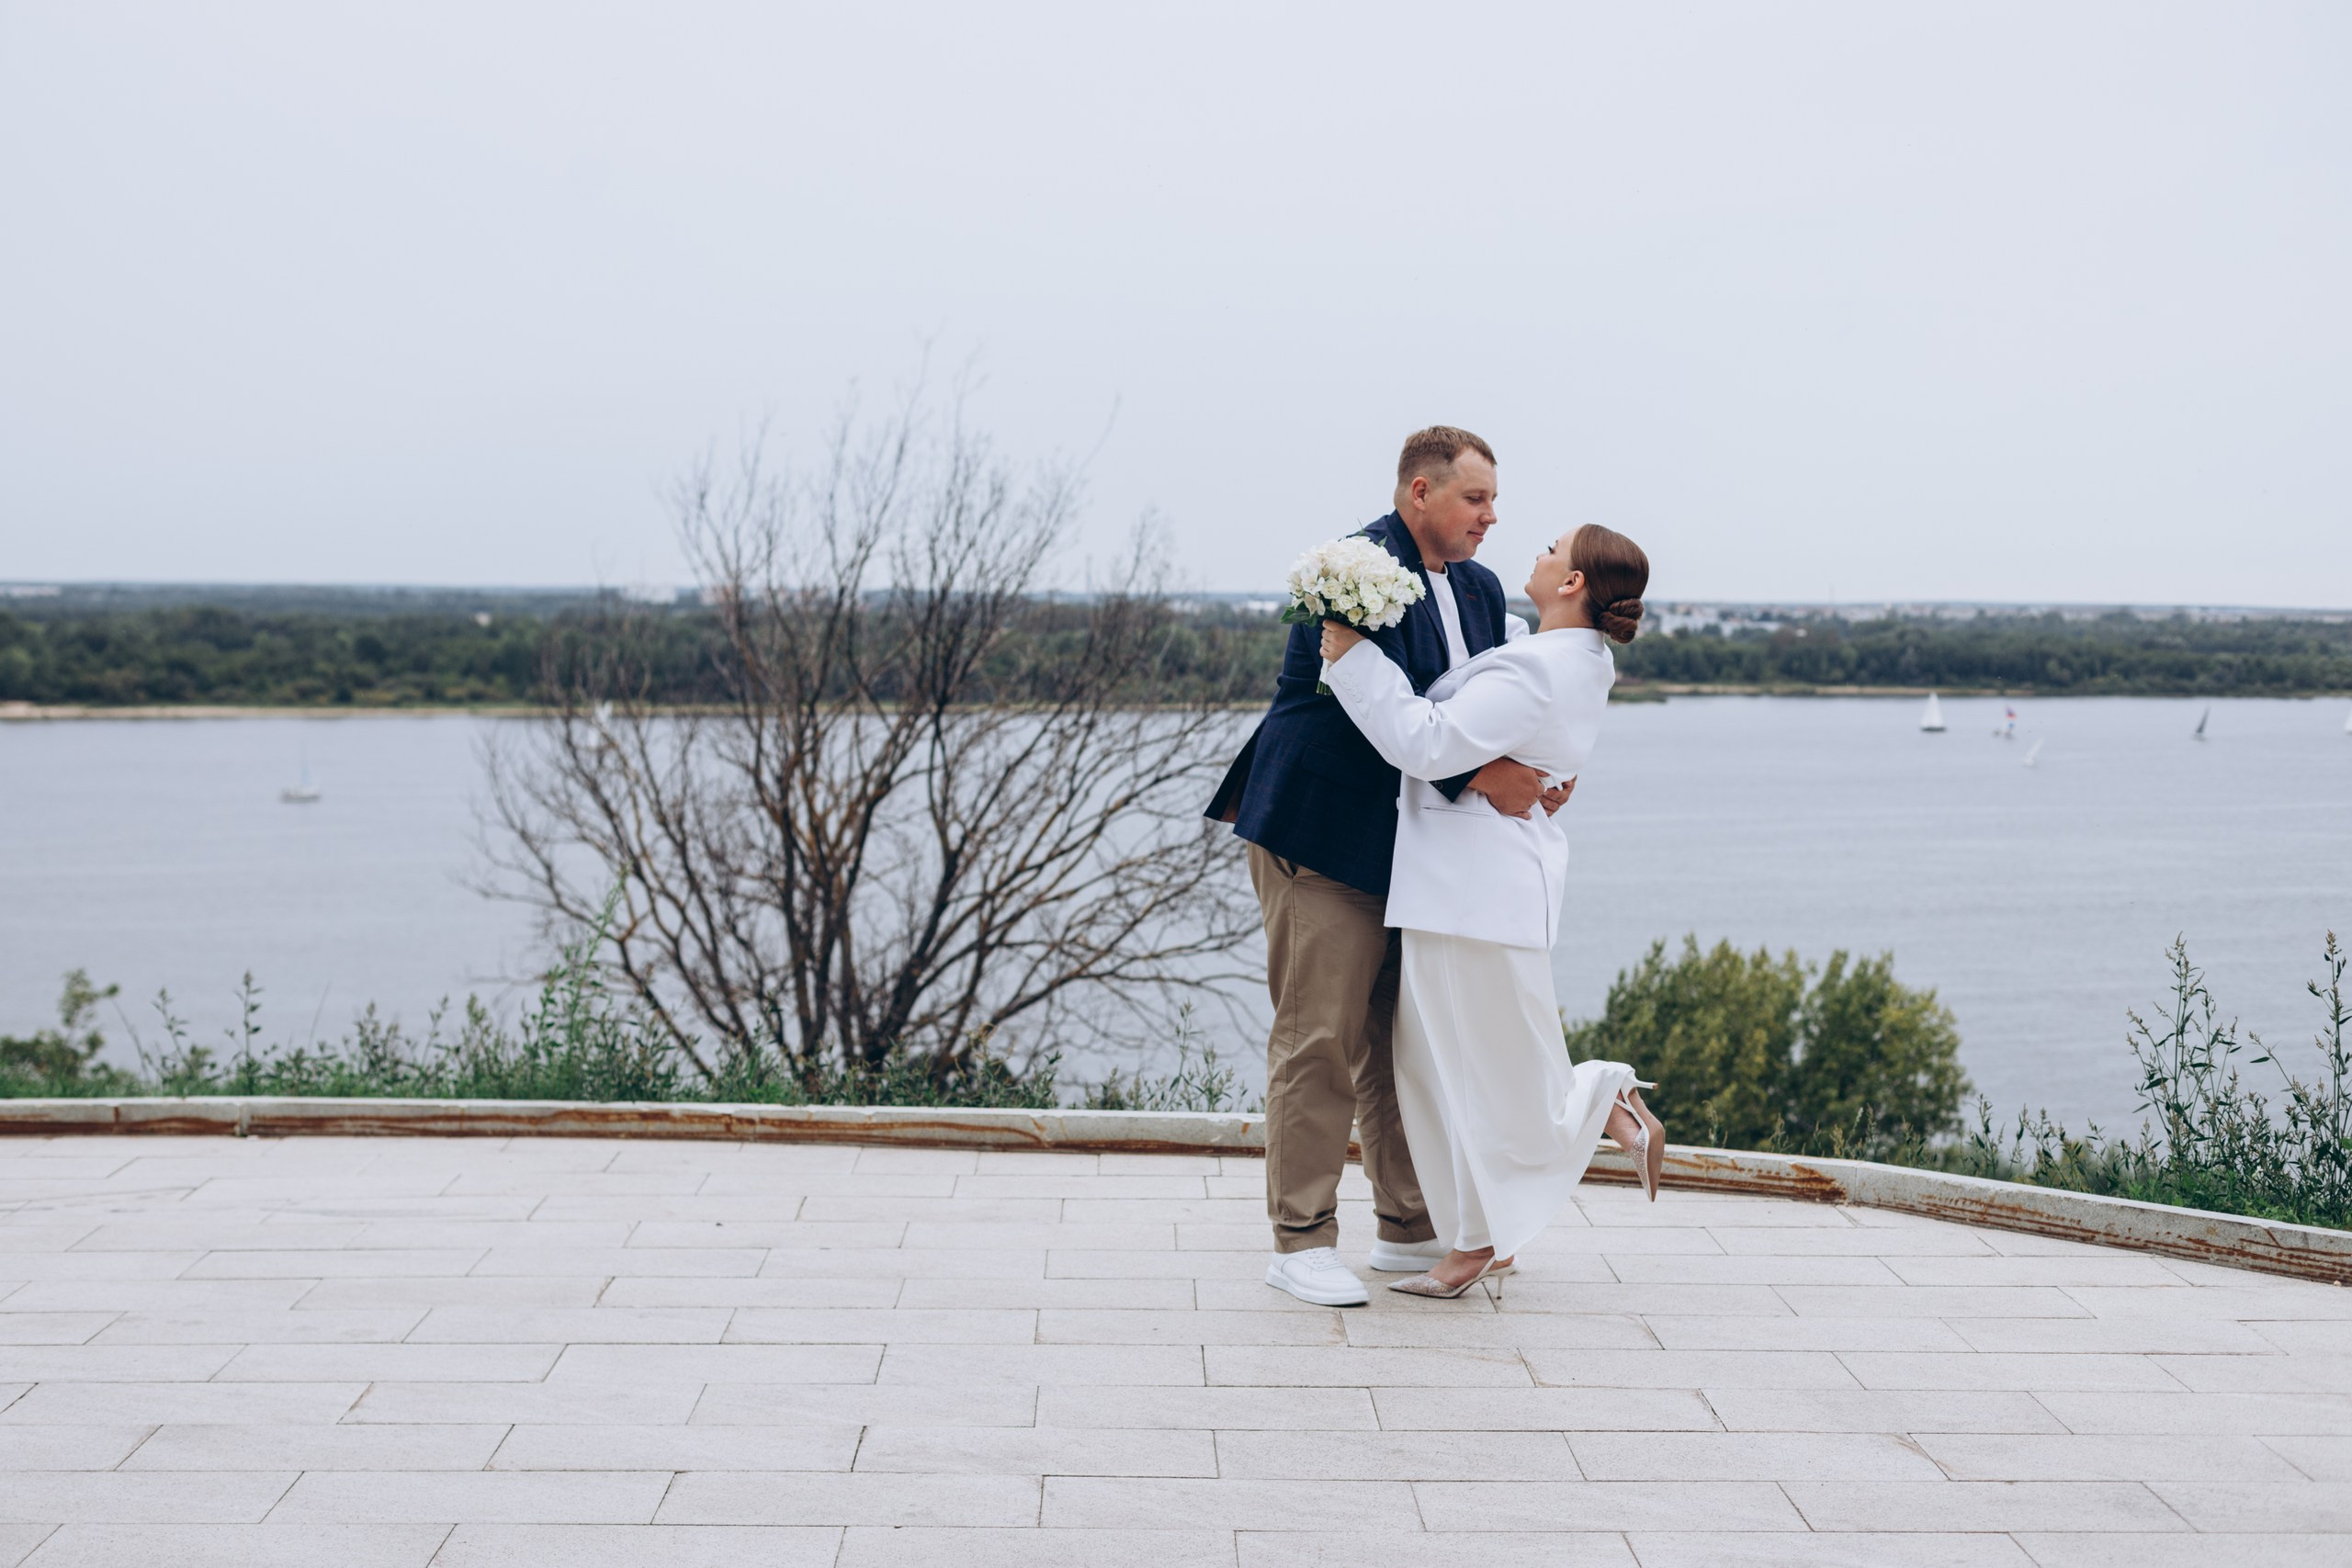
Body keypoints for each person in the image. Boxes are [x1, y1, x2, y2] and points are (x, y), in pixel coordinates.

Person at [1206, 427, 1568, 1307]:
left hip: (1415, 851)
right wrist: (1492, 777)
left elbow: (1480, 709)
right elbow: (1386, 718)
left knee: (1404, 1039)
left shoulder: (1483, 593)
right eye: (1475, 498)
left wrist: (1540, 774)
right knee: (1320, 1034)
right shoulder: (1350, 571)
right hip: (1321, 833)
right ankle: (1300, 1239)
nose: (1492, 516)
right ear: (1420, 492)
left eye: (1493, 499)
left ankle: (1410, 1227)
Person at [1317, 523, 1666, 1298]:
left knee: (1449, 1075)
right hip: (1497, 889)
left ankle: (1486, 1227)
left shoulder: (1539, 667)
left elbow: (1429, 743)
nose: (1536, 551)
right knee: (1472, 1069)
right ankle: (1488, 1235)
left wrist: (1352, 659)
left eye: (1553, 547)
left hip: (1466, 891)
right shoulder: (1577, 659)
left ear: (1572, 582)